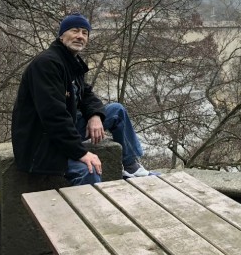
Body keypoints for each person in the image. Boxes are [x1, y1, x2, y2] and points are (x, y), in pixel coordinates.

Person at [12, 13, 154, 185]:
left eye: (85, 33)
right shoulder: (47, 64)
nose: (80, 36)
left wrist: (95, 115)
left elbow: (86, 95)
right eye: (74, 31)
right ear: (61, 35)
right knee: (90, 169)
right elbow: (53, 116)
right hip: (44, 142)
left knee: (116, 111)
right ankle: (84, 211)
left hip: (65, 129)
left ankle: (131, 167)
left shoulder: (71, 62)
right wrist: (81, 153)